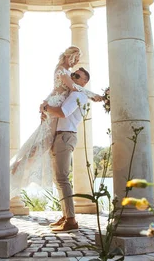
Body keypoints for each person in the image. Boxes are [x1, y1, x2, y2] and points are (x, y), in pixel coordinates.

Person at [9, 46, 101, 200]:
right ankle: (19, 167)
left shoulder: (63, 72)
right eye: (76, 59)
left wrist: (45, 103)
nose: (76, 63)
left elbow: (55, 90)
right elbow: (72, 88)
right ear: (70, 56)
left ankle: (20, 167)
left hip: (53, 105)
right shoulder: (62, 71)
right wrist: (93, 94)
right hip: (54, 108)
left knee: (44, 141)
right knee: (45, 142)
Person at [42, 67, 92, 232]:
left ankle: (71, 220)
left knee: (62, 178)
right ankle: (66, 215)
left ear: (84, 82)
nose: (73, 75)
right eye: (73, 73)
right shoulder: (73, 94)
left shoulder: (77, 95)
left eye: (78, 75)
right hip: (61, 136)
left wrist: (46, 108)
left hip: (65, 136)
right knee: (59, 179)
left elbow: (63, 113)